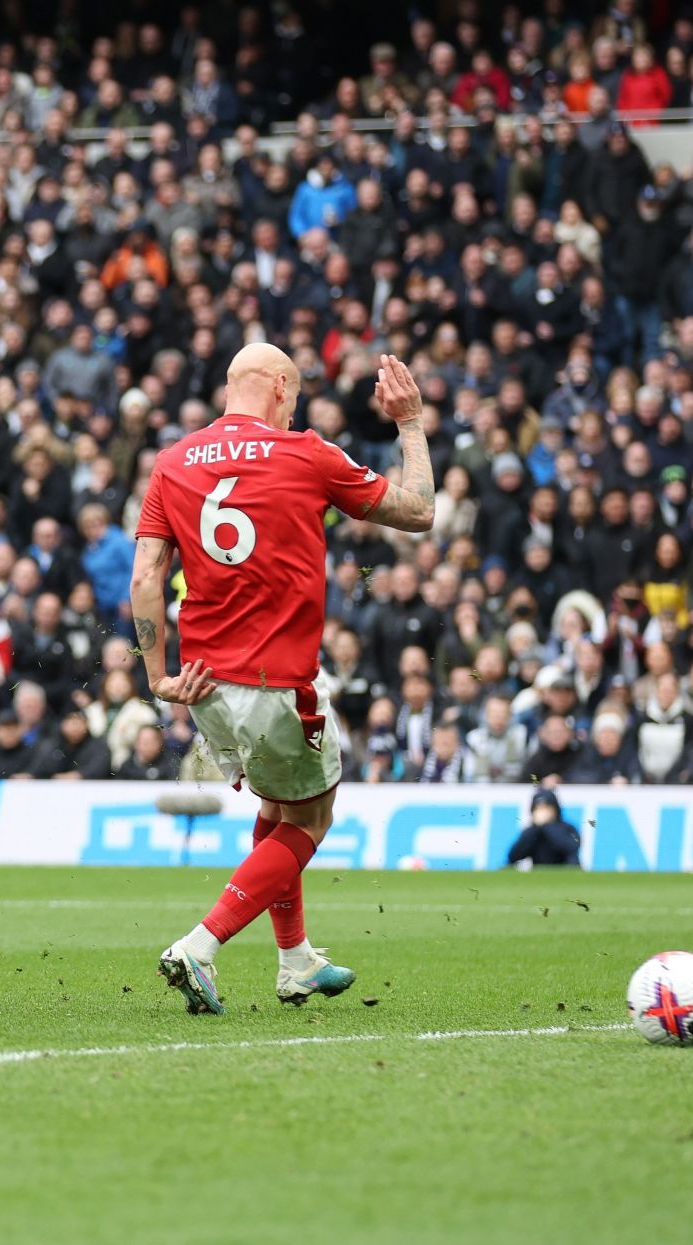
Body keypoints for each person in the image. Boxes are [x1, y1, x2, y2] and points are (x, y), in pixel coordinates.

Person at [130, 346, 435, 1014]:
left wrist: (157, 675)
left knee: (277, 804)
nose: (292, 408)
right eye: (292, 395)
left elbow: (146, 576)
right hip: (274, 680)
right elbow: (418, 511)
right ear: (277, 386)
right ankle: (200, 944)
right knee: (314, 813)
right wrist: (409, 424)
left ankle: (295, 960)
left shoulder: (173, 460)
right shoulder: (305, 453)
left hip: (203, 685)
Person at [506, 789, 581, 866]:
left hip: (566, 873)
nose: (543, 812)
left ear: (555, 809)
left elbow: (570, 849)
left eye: (547, 808)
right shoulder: (531, 831)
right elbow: (514, 856)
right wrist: (535, 828)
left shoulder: (567, 828)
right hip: (538, 875)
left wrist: (547, 825)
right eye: (539, 809)